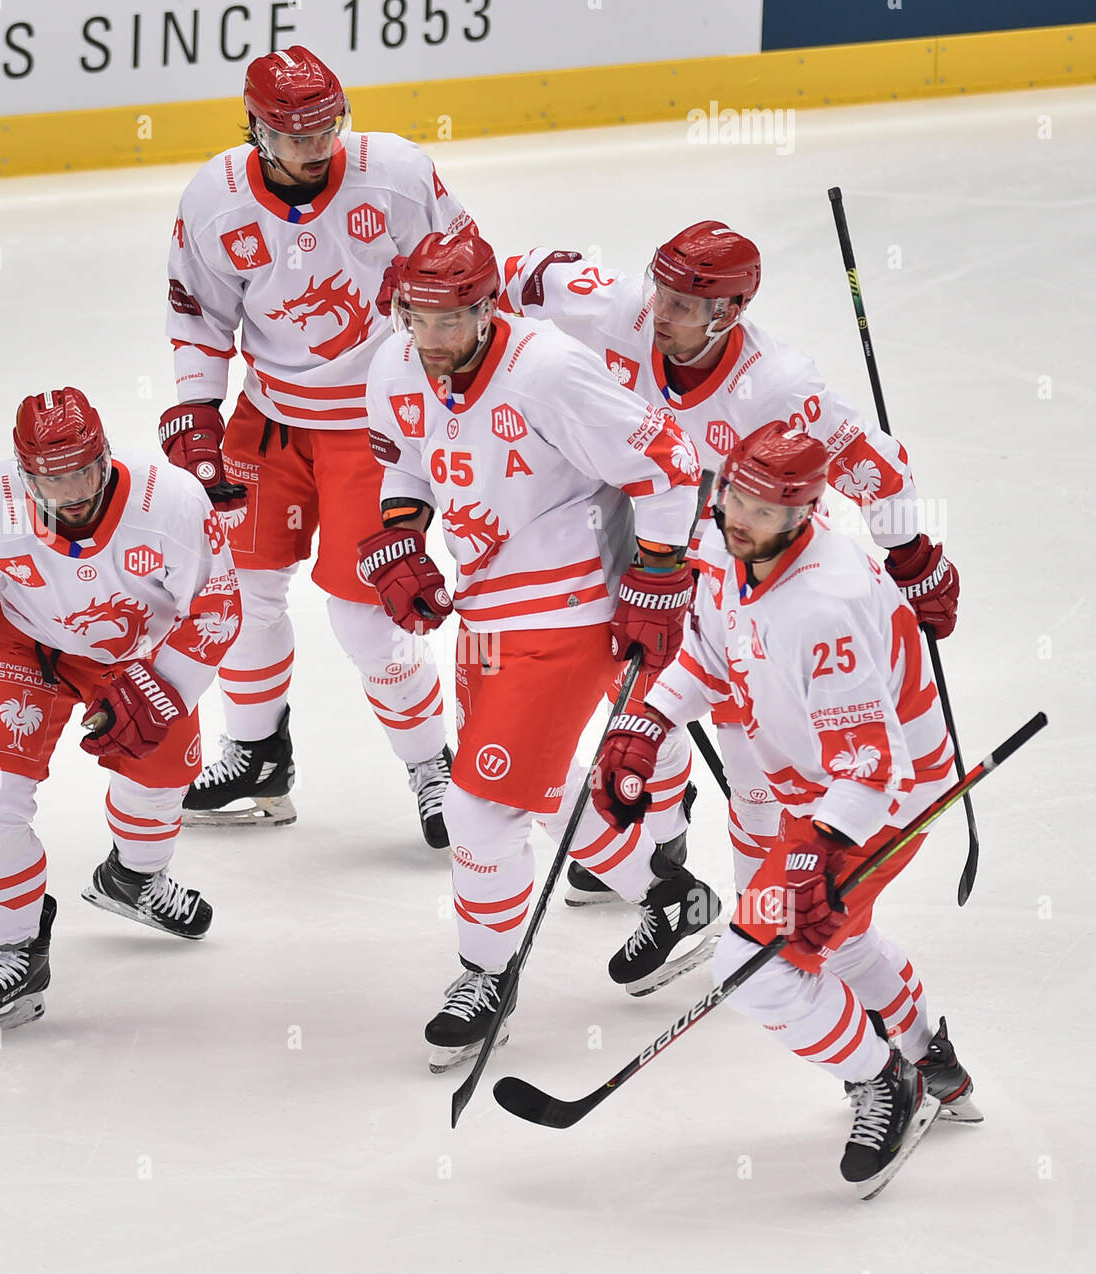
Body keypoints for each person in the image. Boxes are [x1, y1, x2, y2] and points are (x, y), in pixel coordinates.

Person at [499, 222, 960, 906]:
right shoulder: (624, 308)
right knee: (627, 665)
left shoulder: (775, 385)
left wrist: (913, 555)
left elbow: (875, 466)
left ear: (729, 313)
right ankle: (663, 833)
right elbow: (526, 274)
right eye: (660, 292)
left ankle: (758, 902)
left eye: (683, 305)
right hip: (641, 503)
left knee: (745, 740)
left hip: (742, 533)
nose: (660, 312)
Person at [359, 229, 722, 1072]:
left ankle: (486, 978)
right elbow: (408, 468)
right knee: (542, 790)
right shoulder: (392, 367)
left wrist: (660, 573)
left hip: (571, 602)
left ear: (490, 308)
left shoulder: (548, 370)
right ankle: (674, 901)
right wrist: (402, 538)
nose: (437, 337)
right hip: (488, 605)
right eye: (422, 317)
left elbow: (669, 463)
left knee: (479, 809)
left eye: (457, 318)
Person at [593, 422, 979, 1197]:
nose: (740, 516)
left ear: (804, 514)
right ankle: (927, 1052)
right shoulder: (733, 550)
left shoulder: (822, 608)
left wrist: (814, 854)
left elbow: (870, 766)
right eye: (734, 495)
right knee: (833, 942)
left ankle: (884, 1080)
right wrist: (649, 720)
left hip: (887, 800)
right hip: (833, 790)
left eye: (763, 510)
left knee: (755, 969)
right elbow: (708, 653)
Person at [161, 45, 476, 844]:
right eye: (294, 131)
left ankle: (432, 765)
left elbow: (474, 277)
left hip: (376, 431)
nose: (316, 144)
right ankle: (259, 752)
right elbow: (199, 315)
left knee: (366, 615)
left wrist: (459, 399)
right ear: (257, 130)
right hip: (268, 422)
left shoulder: (397, 175)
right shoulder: (216, 198)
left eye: (326, 124)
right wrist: (197, 412)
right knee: (240, 594)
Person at [0, 387, 240, 1038]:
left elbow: (219, 607)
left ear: (104, 456)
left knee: (163, 781)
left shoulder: (173, 503)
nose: (71, 491)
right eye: (52, 477)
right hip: (25, 645)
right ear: (24, 473)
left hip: (138, 659)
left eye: (82, 470)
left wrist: (162, 687)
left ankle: (135, 879)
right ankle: (17, 951)